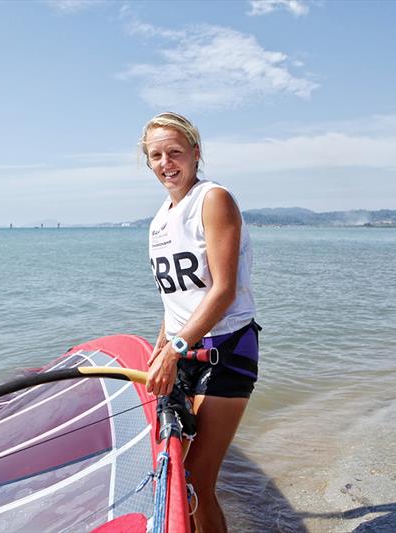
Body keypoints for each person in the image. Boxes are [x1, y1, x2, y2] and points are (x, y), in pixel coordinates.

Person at [142, 112, 260, 533]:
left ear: (195, 153)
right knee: (174, 475)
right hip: (182, 353)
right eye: (156, 155)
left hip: (226, 350)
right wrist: (160, 348)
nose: (166, 162)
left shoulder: (213, 199)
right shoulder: (158, 220)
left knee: (195, 479)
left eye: (175, 152)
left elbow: (223, 289)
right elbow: (175, 302)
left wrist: (174, 350)